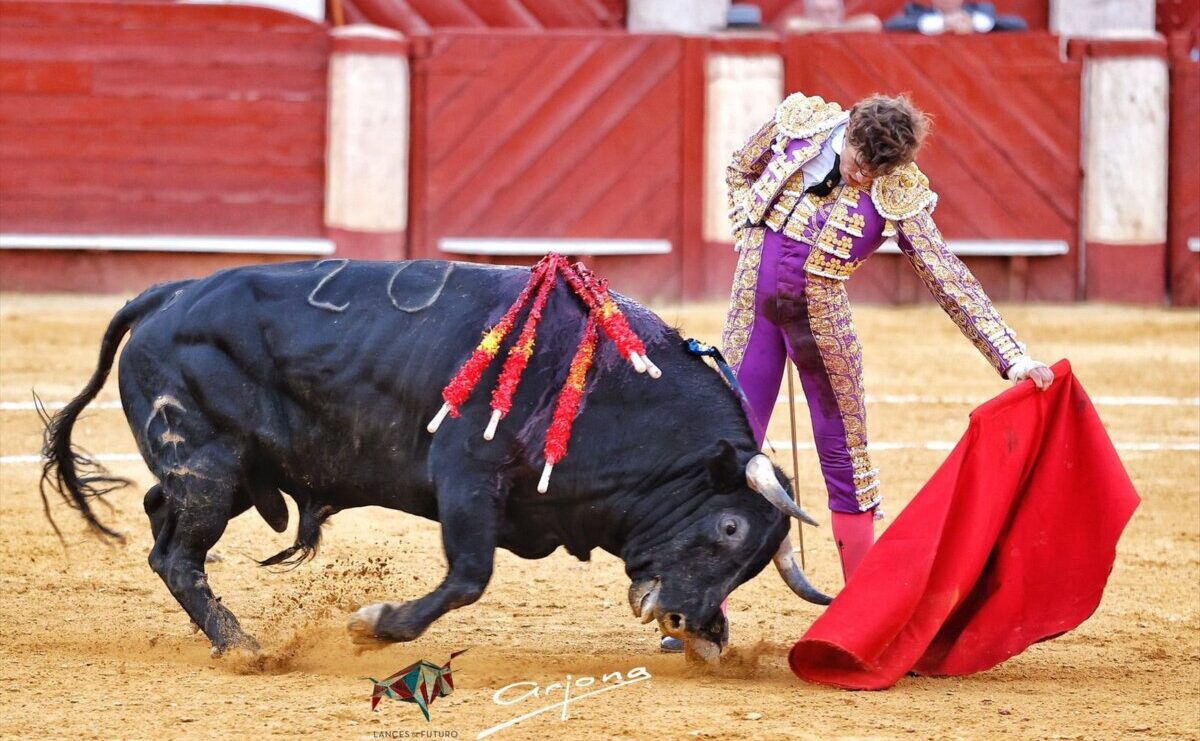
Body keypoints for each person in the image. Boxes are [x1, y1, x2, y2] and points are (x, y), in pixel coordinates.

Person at [884, 1, 1027, 34]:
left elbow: (1019, 24)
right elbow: (891, 25)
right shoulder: (917, 11)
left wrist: (974, 22)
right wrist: (942, 22)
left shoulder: (981, 10)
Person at [782, 0, 882, 33]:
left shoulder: (847, 27)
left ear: (840, 11)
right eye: (820, 12)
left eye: (831, 11)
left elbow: (873, 22)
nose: (826, 16)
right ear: (809, 12)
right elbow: (793, 25)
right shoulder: (801, 27)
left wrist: (832, 28)